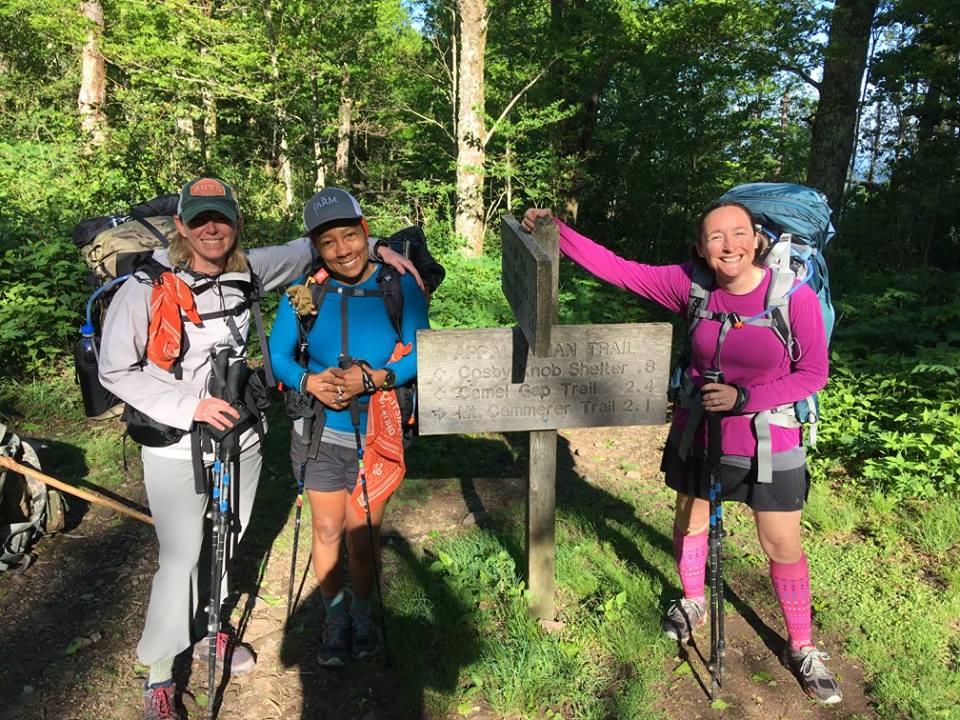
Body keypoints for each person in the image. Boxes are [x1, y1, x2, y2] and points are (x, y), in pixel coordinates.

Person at [98, 177, 420, 720]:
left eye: (220, 217)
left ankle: (212, 631)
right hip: (177, 441)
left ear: (236, 223)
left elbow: (325, 243)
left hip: (241, 436)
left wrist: (385, 245)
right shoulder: (145, 285)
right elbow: (115, 370)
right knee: (180, 557)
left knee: (229, 538)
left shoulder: (252, 267)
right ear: (181, 226)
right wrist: (190, 408)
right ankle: (158, 672)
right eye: (199, 220)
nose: (211, 229)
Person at [521, 204, 840, 704]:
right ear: (700, 248)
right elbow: (620, 271)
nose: (729, 245)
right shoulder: (689, 285)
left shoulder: (792, 296)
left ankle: (802, 646)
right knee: (690, 521)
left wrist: (743, 398)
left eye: (739, 234)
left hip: (770, 437)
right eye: (716, 237)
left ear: (757, 240)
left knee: (781, 544)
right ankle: (694, 602)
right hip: (700, 433)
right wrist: (557, 232)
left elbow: (813, 374)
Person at [269, 188, 429, 667]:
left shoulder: (399, 286)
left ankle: (362, 614)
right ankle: (335, 617)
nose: (342, 250)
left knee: (362, 537)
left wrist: (376, 377)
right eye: (328, 242)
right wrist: (308, 381)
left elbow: (422, 349)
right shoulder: (304, 292)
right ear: (316, 247)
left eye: (349, 236)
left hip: (378, 433)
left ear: (365, 232)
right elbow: (278, 354)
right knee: (326, 527)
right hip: (319, 433)